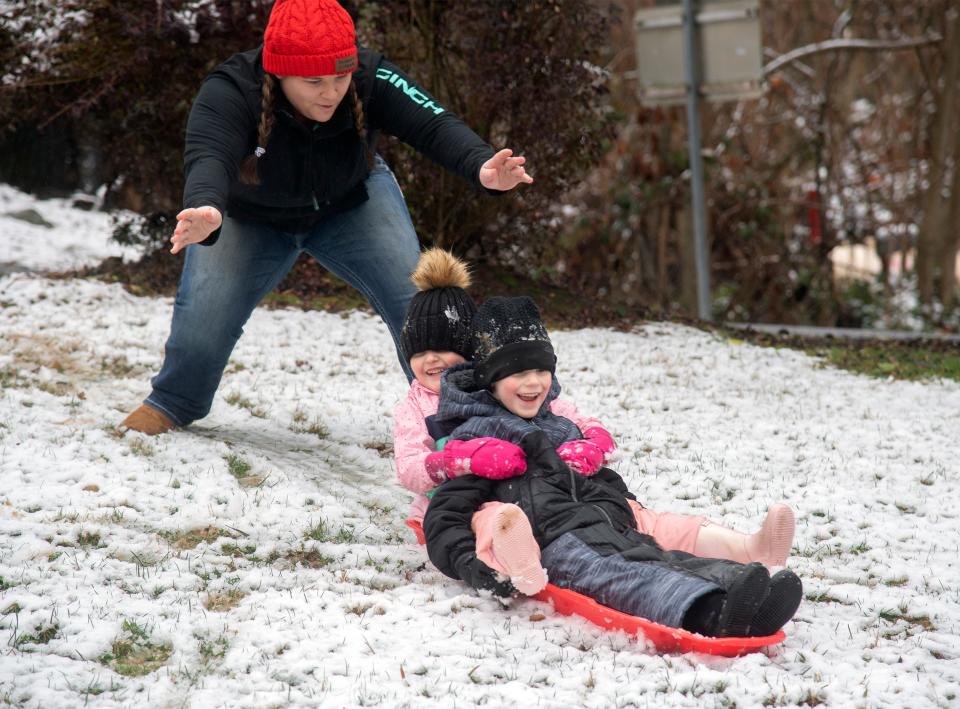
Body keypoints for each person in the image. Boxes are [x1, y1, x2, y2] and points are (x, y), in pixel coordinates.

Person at [120, 0, 532, 435]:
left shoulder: (371, 76)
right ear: (278, 72)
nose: (331, 92)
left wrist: (481, 165)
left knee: (418, 305)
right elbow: (209, 154)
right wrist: (206, 207)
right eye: (314, 81)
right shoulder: (230, 89)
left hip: (351, 203)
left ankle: (459, 414)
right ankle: (172, 402)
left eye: (339, 78)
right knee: (204, 320)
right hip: (246, 217)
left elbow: (432, 123)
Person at [394, 250, 795, 596]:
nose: (433, 361)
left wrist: (591, 443)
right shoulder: (417, 405)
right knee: (495, 517)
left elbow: (570, 416)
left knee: (634, 518)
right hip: (461, 498)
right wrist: (462, 462)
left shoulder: (496, 388)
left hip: (544, 488)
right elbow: (410, 464)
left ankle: (747, 547)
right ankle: (518, 563)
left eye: (446, 349)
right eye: (421, 351)